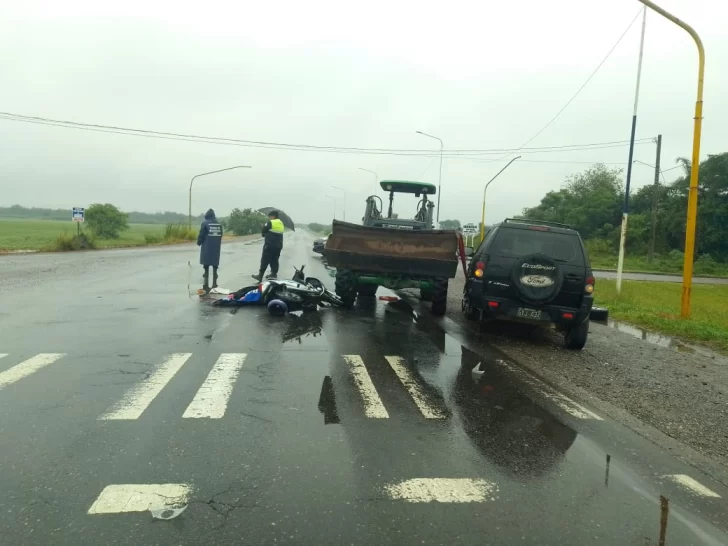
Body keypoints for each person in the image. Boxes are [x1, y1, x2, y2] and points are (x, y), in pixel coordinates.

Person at [252, 210, 284, 281]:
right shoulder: (281, 223)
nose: (269, 218)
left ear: (273, 216)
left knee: (265, 260)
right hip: (278, 246)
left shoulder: (270, 222)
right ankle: (273, 274)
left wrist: (262, 227)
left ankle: (260, 275)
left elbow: (263, 233)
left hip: (270, 245)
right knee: (274, 260)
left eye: (269, 216)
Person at [197, 208, 223, 290]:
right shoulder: (219, 224)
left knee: (206, 261)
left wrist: (199, 242)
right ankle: (215, 277)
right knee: (215, 261)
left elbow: (202, 234)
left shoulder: (205, 223)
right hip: (216, 246)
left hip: (207, 245)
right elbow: (221, 234)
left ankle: (206, 274)